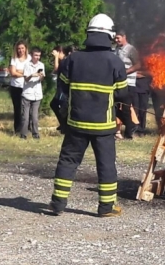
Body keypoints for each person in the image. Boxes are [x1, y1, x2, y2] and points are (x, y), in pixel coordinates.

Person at [49, 14, 129, 217]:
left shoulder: (72, 60)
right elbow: (122, 95)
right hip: (103, 127)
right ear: (109, 36)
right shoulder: (115, 62)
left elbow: (63, 88)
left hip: (76, 123)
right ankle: (106, 207)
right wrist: (128, 122)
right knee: (106, 165)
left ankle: (58, 204)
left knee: (67, 162)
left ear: (89, 34)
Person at [114, 30, 140, 140]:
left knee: (125, 108)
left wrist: (125, 72)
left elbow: (138, 64)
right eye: (115, 38)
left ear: (124, 37)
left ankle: (129, 133)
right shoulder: (116, 50)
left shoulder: (131, 49)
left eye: (118, 38)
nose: (116, 40)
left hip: (129, 83)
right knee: (113, 106)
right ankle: (131, 125)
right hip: (117, 84)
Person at [20, 48, 45, 140]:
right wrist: (32, 75)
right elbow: (26, 79)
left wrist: (41, 76)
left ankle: (35, 133)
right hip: (27, 93)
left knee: (35, 117)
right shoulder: (27, 65)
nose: (37, 57)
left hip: (37, 94)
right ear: (31, 55)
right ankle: (23, 134)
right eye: (36, 55)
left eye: (39, 55)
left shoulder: (41, 65)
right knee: (25, 117)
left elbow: (41, 80)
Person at [50, 45, 74, 133]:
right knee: (54, 104)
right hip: (60, 87)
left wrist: (56, 57)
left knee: (62, 107)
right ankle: (63, 124)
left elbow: (56, 69)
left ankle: (65, 126)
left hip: (64, 89)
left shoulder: (65, 61)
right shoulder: (63, 61)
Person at [8, 40, 29, 135]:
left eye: (22, 48)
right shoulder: (14, 59)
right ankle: (17, 129)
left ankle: (27, 128)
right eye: (19, 48)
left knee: (27, 109)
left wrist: (19, 71)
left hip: (26, 87)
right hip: (15, 87)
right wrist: (24, 73)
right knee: (17, 109)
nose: (21, 50)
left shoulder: (29, 58)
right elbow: (13, 73)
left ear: (25, 49)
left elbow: (31, 72)